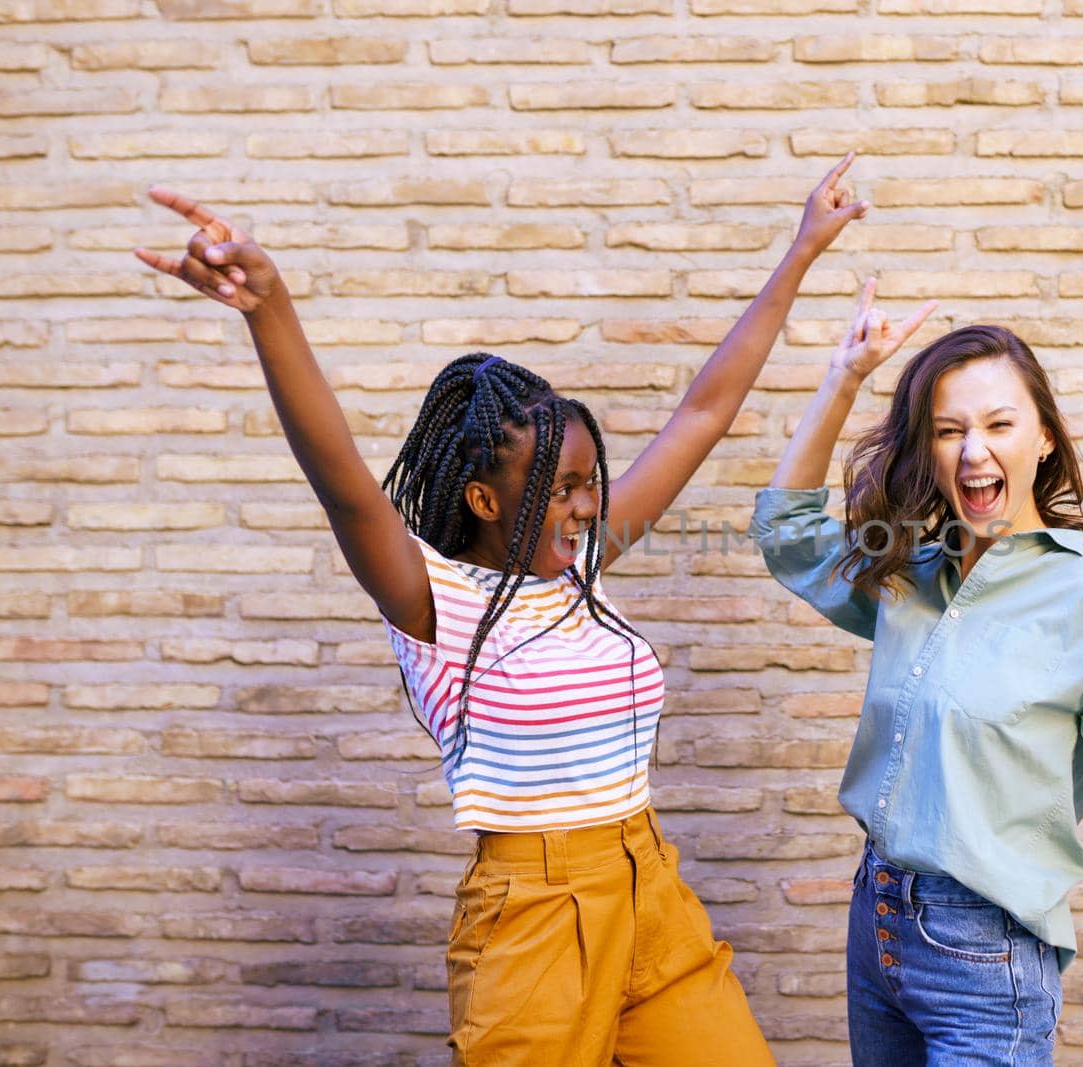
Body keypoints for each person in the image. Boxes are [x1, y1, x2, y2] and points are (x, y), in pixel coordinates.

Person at [134, 155, 868, 1066]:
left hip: (652, 895)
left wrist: (801, 250)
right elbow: (346, 488)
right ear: (485, 500)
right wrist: (271, 307)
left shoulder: (582, 570)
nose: (589, 504)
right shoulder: (429, 599)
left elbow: (701, 414)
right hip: (532, 919)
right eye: (560, 489)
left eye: (590, 481)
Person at [751, 281, 1083, 1065]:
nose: (974, 450)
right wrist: (845, 376)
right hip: (876, 925)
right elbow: (788, 535)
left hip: (983, 956)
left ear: (1043, 438)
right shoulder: (909, 568)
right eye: (949, 431)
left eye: (999, 424)